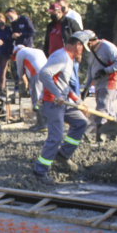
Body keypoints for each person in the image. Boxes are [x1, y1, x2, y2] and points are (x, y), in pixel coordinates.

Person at [33, 31, 92, 184]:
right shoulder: (61, 56)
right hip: (53, 103)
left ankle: (63, 156)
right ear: (77, 45)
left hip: (63, 102)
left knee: (81, 123)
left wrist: (77, 100)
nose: (83, 51)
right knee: (56, 137)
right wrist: (57, 94)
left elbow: (64, 85)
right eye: (83, 47)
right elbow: (44, 74)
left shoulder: (69, 59)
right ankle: (40, 171)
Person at [82, 32, 117, 134]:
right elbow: (91, 68)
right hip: (98, 83)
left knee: (101, 108)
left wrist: (106, 70)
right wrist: (86, 88)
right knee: (108, 109)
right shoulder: (91, 51)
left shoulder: (108, 47)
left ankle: (98, 136)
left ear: (90, 41)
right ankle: (113, 134)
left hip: (109, 82)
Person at [13, 44, 48, 131]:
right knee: (45, 98)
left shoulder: (20, 53)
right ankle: (45, 122)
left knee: (37, 99)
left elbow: (20, 71)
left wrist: (25, 82)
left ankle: (42, 124)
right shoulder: (38, 50)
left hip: (36, 74)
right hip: (48, 74)